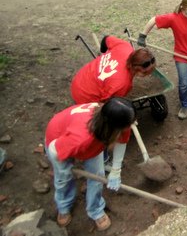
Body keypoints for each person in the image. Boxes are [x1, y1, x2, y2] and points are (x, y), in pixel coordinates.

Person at [45, 97, 136, 231]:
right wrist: (66, 167)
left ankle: (95, 209)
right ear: (112, 128)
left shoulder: (119, 116)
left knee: (97, 175)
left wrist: (116, 170)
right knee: (63, 179)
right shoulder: (82, 138)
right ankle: (63, 206)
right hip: (58, 139)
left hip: (91, 137)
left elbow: (122, 140)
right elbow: (54, 150)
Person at [137, 0, 187, 120]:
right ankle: (185, 104)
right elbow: (154, 19)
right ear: (185, 8)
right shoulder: (173, 18)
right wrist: (143, 35)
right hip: (182, 56)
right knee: (183, 84)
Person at [71, 35, 156, 104]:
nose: (147, 75)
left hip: (82, 76)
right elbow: (108, 103)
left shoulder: (125, 47)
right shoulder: (122, 84)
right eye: (145, 73)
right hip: (84, 95)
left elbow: (106, 38)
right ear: (135, 68)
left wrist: (103, 52)